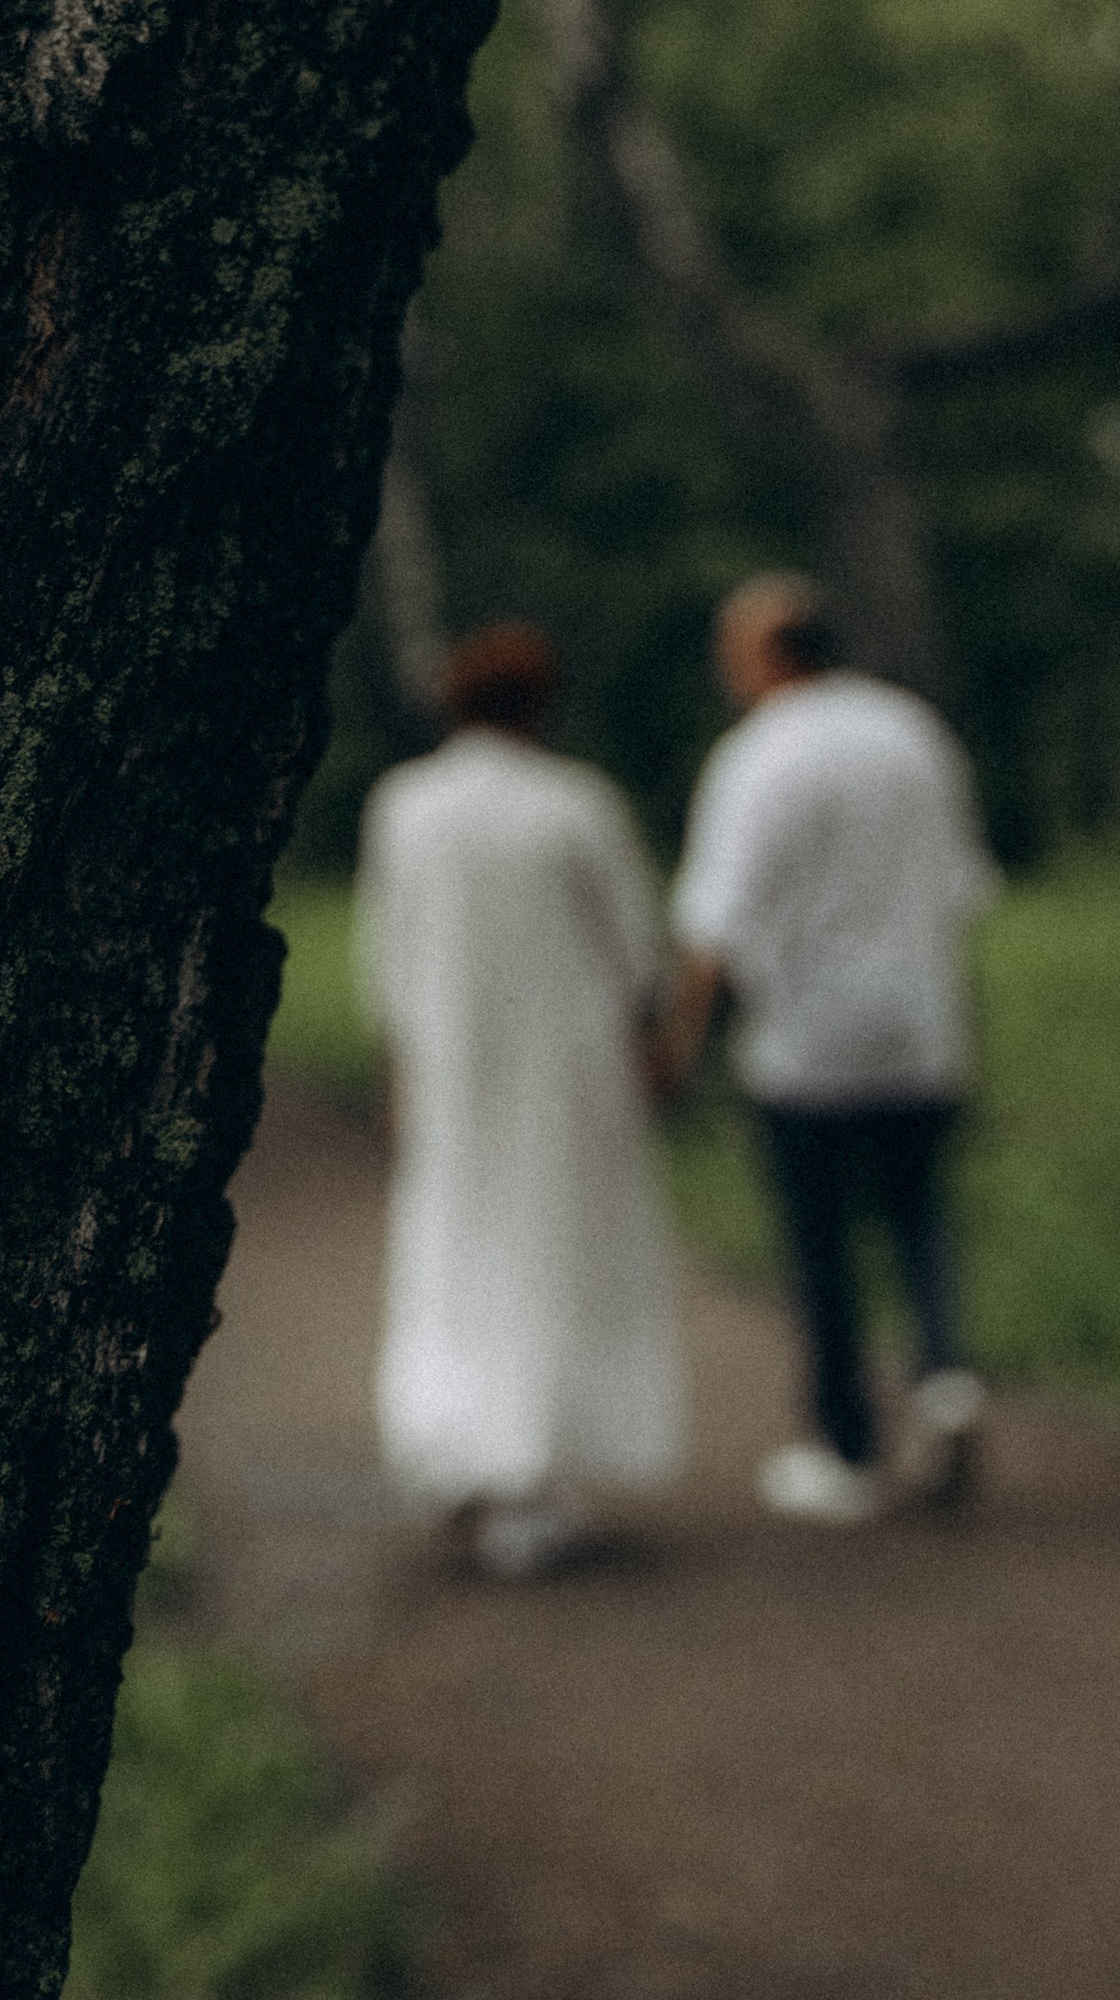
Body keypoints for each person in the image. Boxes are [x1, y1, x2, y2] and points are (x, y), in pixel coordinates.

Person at [661, 572, 999, 1526]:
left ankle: (847, 1447)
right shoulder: (911, 732)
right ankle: (942, 1375)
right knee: (919, 1214)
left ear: (766, 654)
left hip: (805, 1043)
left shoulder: (756, 758)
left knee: (821, 1247)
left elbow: (716, 926)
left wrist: (682, 1046)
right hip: (921, 1027)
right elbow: (961, 888)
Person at [355, 619, 687, 1576]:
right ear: (541, 705)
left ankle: (461, 1453)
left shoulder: (406, 804)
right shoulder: (574, 804)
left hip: (453, 1072)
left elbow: (388, 953)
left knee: (457, 1254)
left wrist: (398, 1073)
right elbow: (636, 949)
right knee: (555, 1257)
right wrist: (655, 1048)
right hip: (567, 1078)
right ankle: (528, 1478)